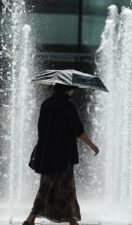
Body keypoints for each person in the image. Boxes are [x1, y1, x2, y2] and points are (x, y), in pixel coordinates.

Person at [24, 84, 100, 225]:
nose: (72, 92)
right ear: (67, 90)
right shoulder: (66, 106)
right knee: (53, 187)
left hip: (47, 152)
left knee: (64, 187)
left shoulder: (46, 103)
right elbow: (78, 130)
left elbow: (41, 127)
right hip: (62, 154)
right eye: (72, 89)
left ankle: (71, 220)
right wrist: (92, 145)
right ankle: (31, 218)